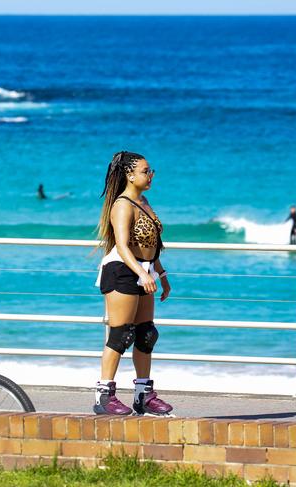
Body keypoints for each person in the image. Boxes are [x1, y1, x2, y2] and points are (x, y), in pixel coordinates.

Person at [94, 151, 172, 416]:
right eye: (145, 171)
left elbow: (151, 244)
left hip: (144, 271)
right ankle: (104, 395)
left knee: (146, 334)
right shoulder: (123, 204)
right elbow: (122, 245)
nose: (150, 175)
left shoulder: (144, 201)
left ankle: (143, 395)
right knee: (120, 335)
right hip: (122, 271)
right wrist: (142, 272)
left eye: (151, 171)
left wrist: (160, 274)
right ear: (129, 175)